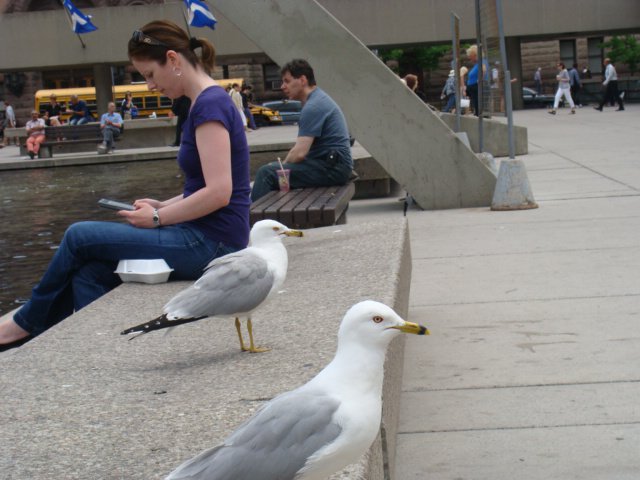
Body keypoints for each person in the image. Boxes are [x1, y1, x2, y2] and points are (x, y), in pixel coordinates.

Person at [0, 20, 251, 350]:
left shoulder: (208, 105)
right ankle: (95, 345)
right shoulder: (205, 103)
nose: (149, 86)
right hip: (208, 235)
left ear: (173, 60)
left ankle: (22, 325)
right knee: (89, 271)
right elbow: (206, 186)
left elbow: (220, 192)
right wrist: (164, 205)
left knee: (79, 236)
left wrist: (159, 219)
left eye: (149, 74)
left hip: (213, 243)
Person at [251, 59, 353, 201]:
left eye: (287, 81)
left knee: (266, 173)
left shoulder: (313, 106)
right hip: (333, 165)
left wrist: (280, 169)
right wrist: (279, 167)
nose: (282, 86)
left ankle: (254, 221)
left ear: (302, 80)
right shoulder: (318, 98)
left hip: (332, 169)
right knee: (272, 170)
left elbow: (299, 153)